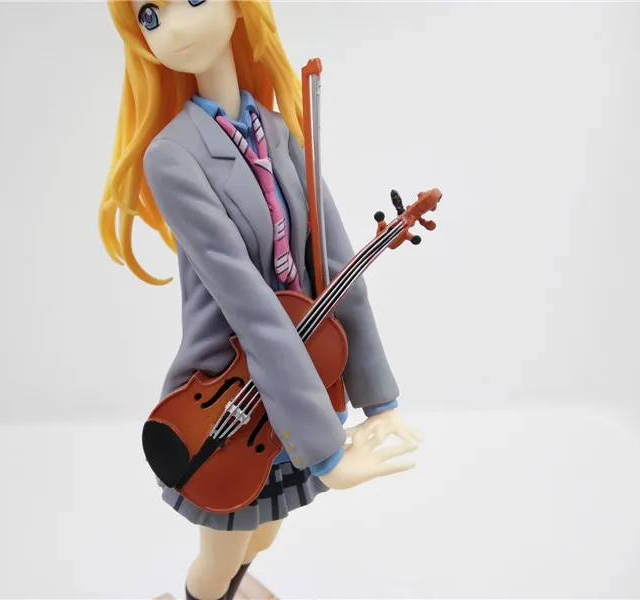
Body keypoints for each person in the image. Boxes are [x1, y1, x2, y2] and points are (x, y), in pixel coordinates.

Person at [99, 2, 422, 598]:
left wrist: (380, 401)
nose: (171, 28)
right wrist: (327, 453)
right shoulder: (172, 157)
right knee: (220, 557)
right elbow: (249, 306)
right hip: (228, 402)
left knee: (264, 535)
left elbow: (336, 267)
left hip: (289, 395)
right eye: (149, 17)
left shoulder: (279, 131)